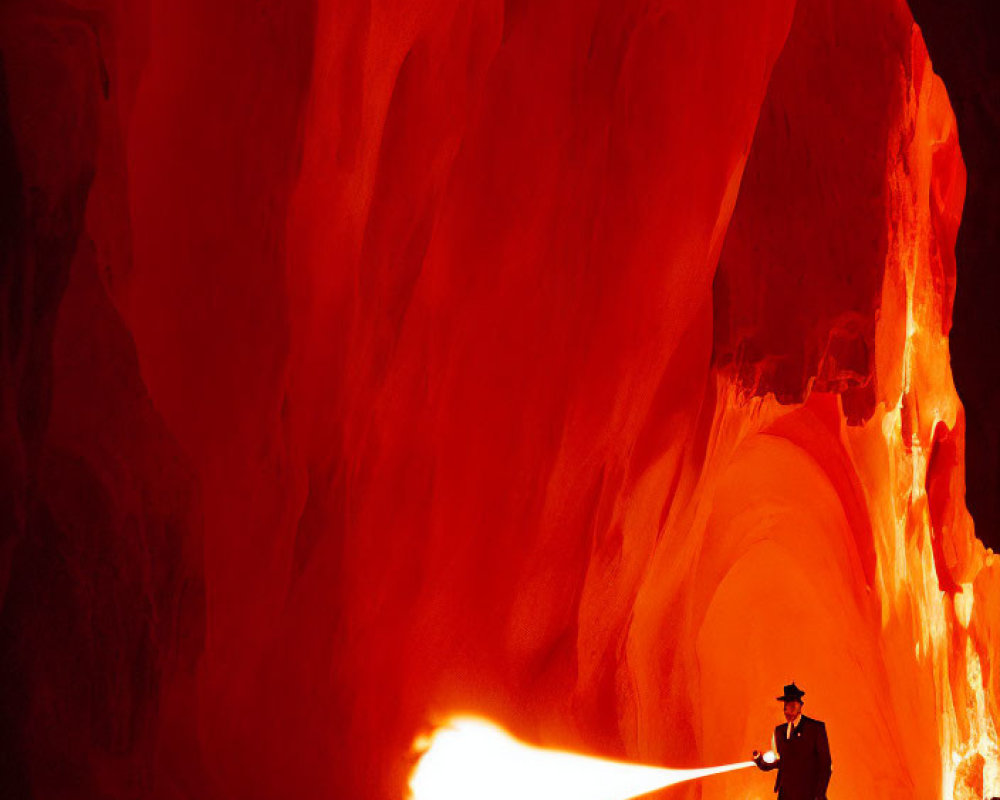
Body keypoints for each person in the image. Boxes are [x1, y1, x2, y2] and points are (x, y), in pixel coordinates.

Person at [752, 682, 832, 800]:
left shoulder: (815, 728)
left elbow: (825, 765)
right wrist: (759, 760)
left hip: (808, 794)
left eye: (792, 706)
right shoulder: (779, 731)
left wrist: (819, 795)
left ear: (800, 706)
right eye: (786, 707)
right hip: (786, 794)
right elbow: (780, 762)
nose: (788, 711)